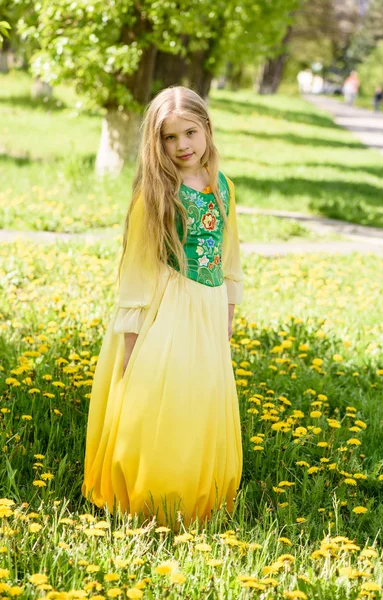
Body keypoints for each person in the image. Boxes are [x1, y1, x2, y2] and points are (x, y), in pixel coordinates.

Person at [81, 86, 244, 530]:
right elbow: (136, 275)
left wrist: (228, 310)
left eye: (190, 132)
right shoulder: (156, 194)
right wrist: (131, 345)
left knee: (199, 395)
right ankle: (153, 493)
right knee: (161, 398)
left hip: (209, 311)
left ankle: (194, 489)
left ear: (206, 129)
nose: (182, 146)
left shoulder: (222, 187)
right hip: (169, 310)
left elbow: (229, 255)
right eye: (169, 138)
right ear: (157, 144)